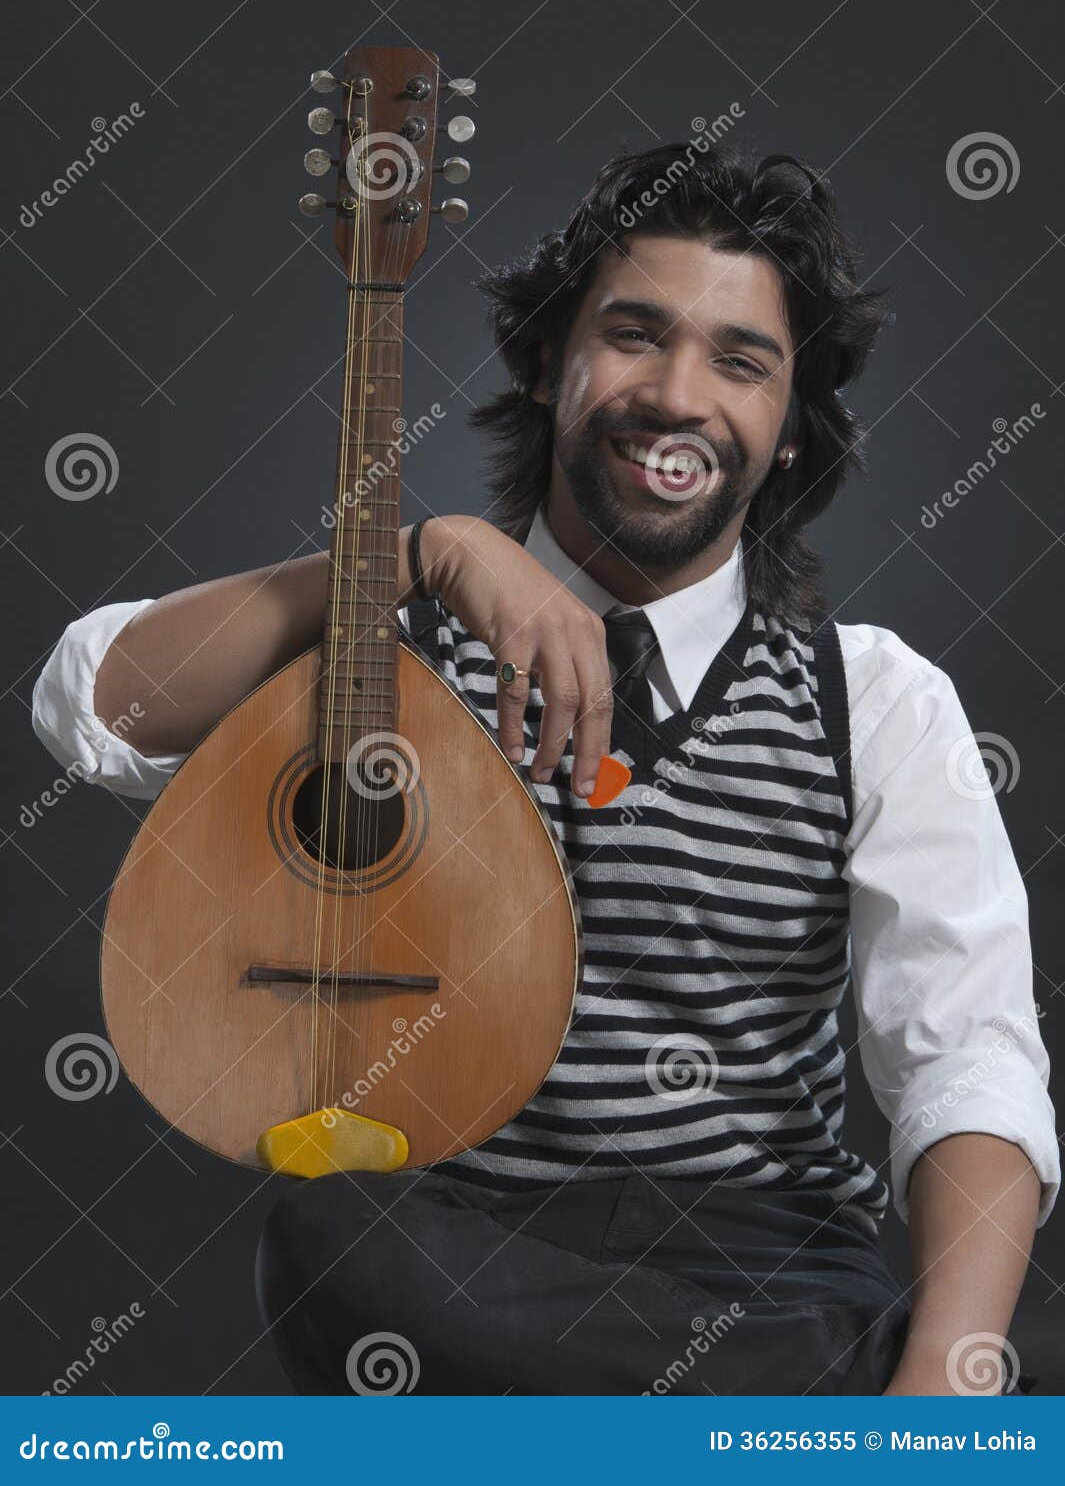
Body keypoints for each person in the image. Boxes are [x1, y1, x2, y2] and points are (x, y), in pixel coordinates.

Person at [32, 143, 1058, 1397]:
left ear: (791, 429)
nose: (677, 396)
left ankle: (816, 1392)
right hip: (464, 1267)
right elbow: (91, 700)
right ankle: (800, 1417)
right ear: (540, 365)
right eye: (634, 335)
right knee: (329, 1232)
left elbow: (967, 1060)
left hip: (766, 1266)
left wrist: (945, 1381)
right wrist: (418, 554)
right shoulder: (377, 662)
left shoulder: (876, 698)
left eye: (741, 363)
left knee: (946, 1341)